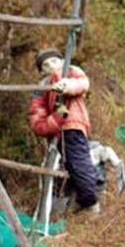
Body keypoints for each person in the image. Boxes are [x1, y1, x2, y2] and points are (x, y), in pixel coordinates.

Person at [29, 49, 99, 214]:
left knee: (78, 164)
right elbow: (37, 119)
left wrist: (65, 86)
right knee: (71, 167)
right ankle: (80, 203)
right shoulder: (41, 89)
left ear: (61, 61)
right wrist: (56, 119)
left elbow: (81, 84)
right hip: (58, 132)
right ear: (41, 71)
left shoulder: (70, 72)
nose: (51, 66)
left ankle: (90, 203)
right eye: (45, 65)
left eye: (54, 61)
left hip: (72, 126)